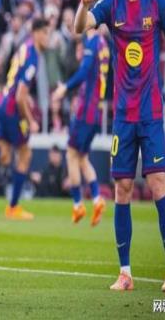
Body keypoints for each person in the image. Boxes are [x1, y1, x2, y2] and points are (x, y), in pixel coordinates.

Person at [74, 0, 165, 292]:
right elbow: (79, 29)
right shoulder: (110, 2)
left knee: (158, 185)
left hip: (151, 113)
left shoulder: (156, 0)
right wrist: (83, 4)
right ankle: (125, 273)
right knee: (121, 189)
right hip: (123, 116)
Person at [0, 18, 50, 220]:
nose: (48, 38)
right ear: (36, 33)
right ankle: (14, 206)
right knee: (25, 154)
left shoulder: (25, 48)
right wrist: (31, 120)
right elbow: (20, 96)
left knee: (4, 155)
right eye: (45, 33)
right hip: (12, 108)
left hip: (3, 103)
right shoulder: (32, 55)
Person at [52, 26, 109, 226]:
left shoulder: (93, 42)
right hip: (97, 112)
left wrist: (65, 88)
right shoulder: (103, 44)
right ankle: (97, 199)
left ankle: (78, 205)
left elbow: (84, 72)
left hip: (87, 111)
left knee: (71, 154)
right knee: (82, 157)